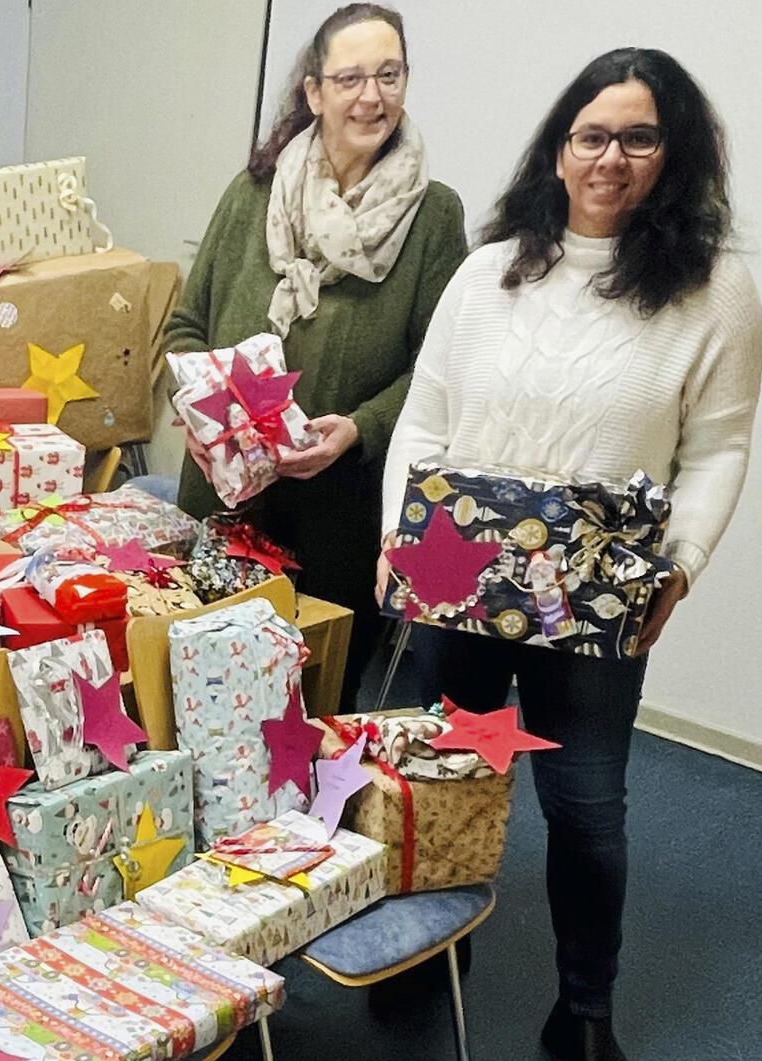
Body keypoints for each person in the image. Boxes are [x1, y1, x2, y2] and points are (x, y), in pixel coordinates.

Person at [379, 48, 762, 1061]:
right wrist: (399, 539)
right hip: (458, 579)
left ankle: (582, 1009)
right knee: (446, 779)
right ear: (559, 150)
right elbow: (425, 420)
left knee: (587, 805)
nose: (612, 157)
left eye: (640, 137)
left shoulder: (714, 291)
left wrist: (680, 566)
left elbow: (719, 448)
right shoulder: (488, 269)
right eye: (593, 134)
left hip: (600, 598)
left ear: (674, 155)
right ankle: (422, 953)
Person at [164, 3, 467, 710]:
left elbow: (439, 372)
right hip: (227, 500)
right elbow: (185, 329)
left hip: (342, 510)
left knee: (314, 704)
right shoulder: (252, 195)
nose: (372, 96)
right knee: (203, 696)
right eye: (351, 77)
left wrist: (359, 427)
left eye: (388, 75)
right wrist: (199, 421)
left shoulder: (434, 218)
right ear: (315, 92)